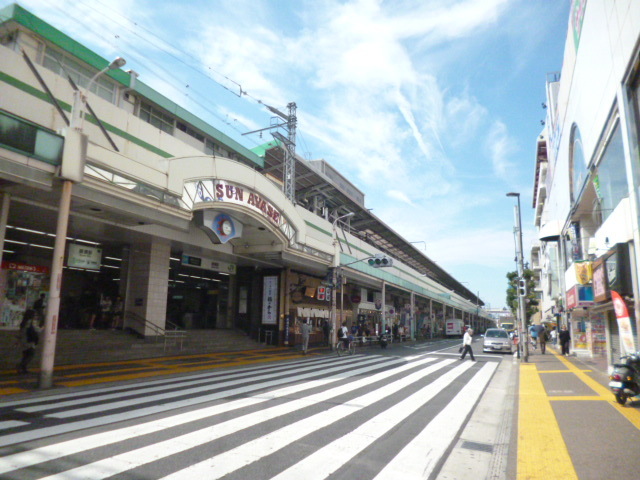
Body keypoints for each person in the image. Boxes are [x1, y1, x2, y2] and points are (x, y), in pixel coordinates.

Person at [16, 309, 40, 374]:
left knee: (25, 355)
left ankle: (23, 369)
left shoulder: (24, 322)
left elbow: (22, 332)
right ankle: (21, 366)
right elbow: (34, 330)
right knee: (31, 354)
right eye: (34, 315)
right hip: (29, 340)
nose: (35, 316)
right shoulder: (30, 322)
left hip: (23, 340)